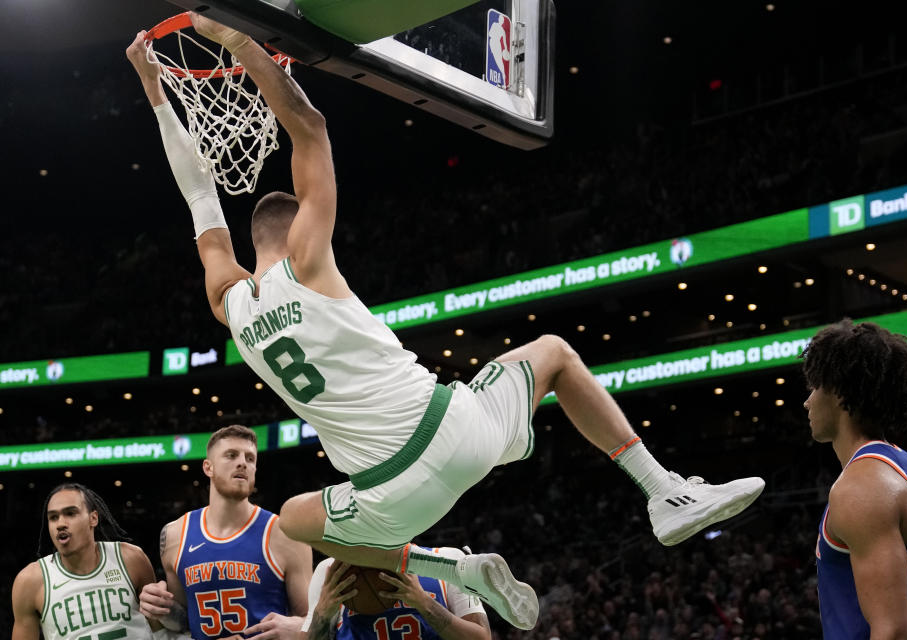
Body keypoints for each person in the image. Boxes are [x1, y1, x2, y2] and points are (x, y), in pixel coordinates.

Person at [127, 15, 764, 630]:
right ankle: (662, 491)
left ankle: (452, 568)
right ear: (300, 225)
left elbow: (199, 194)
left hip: (389, 497)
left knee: (292, 518)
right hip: (456, 429)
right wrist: (239, 37)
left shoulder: (229, 305)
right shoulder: (307, 260)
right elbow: (310, 129)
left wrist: (156, 91)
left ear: (249, 239)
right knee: (554, 354)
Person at [802, 319, 907, 639]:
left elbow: (895, 632)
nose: (807, 401)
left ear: (838, 392)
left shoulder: (865, 486)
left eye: (815, 386)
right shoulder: (902, 466)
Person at [136, 425, 313, 639]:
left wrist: (299, 627)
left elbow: (314, 621)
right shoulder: (174, 535)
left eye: (250, 458)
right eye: (231, 455)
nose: (242, 463)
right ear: (208, 468)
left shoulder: (285, 533)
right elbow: (183, 622)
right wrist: (160, 608)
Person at [11, 483, 162, 640]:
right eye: (53, 517)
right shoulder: (30, 581)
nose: (60, 523)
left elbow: (160, 630)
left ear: (93, 518)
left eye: (70, 513)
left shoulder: (131, 559)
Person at [301, 557, 490, 640]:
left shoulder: (449, 559)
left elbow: (482, 638)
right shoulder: (332, 570)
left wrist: (425, 603)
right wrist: (323, 615)